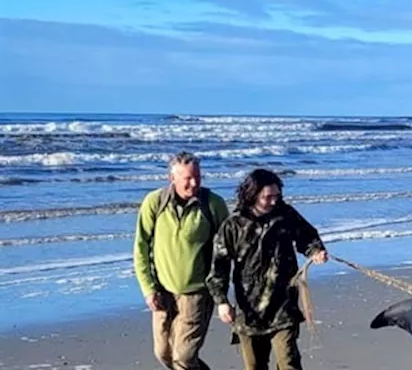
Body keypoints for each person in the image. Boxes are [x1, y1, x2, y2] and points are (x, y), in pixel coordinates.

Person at [207, 168, 328, 370]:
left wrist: (316, 251)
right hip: (249, 310)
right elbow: (219, 266)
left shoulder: (285, 215)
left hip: (283, 305)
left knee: (289, 362)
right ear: (252, 195)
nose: (273, 201)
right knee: (255, 365)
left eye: (277, 196)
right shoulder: (233, 225)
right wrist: (222, 301)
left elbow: (307, 236)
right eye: (267, 197)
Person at [133, 151, 230, 370]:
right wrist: (148, 289)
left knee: (184, 357)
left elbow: (228, 249)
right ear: (172, 178)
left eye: (198, 177)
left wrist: (222, 294)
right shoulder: (154, 202)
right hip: (162, 291)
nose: (194, 183)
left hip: (197, 293)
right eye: (187, 178)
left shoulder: (213, 204)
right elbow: (140, 247)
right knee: (163, 354)